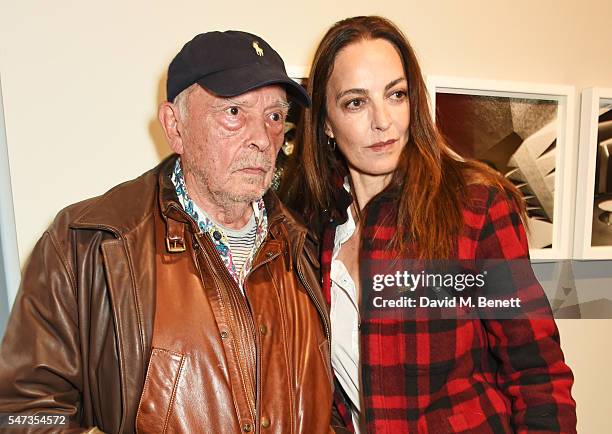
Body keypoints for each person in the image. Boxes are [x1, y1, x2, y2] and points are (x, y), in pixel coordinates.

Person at [0, 31, 335, 433]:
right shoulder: (88, 243)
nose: (263, 139)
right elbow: (21, 412)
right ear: (174, 126)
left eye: (275, 116)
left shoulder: (307, 245)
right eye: (234, 113)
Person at [281, 16, 577, 433]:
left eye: (396, 94)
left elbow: (537, 374)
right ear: (326, 123)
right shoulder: (311, 228)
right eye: (355, 102)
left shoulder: (474, 206)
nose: (382, 121)